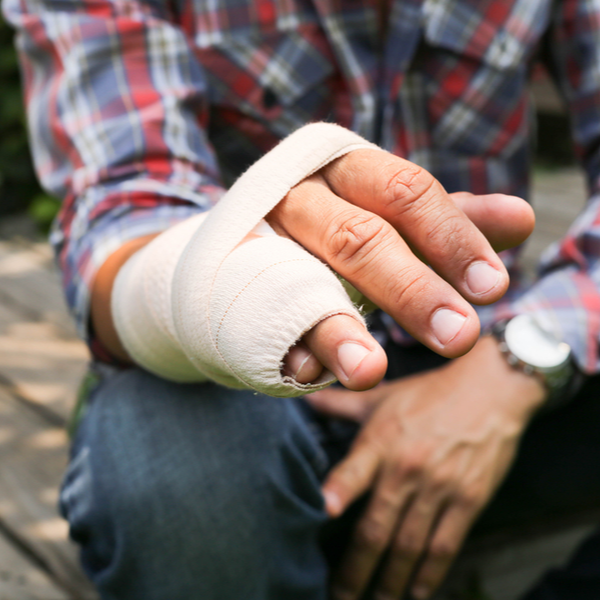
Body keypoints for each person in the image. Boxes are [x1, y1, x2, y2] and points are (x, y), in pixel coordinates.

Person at [3, 0, 600, 598]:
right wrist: (228, 274)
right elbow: (126, 206)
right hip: (248, 379)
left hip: (483, 343)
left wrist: (519, 360)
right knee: (172, 473)